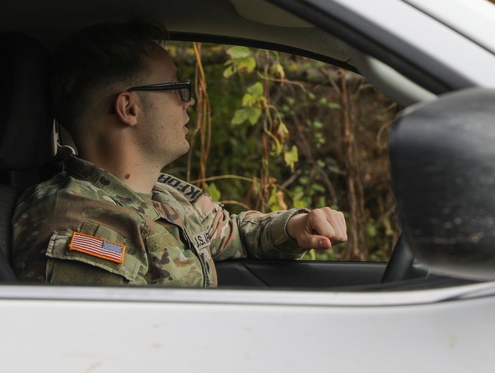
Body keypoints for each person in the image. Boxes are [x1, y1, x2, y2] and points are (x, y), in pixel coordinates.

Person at [12, 19, 348, 285]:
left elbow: (236, 234)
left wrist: (298, 226)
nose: (189, 101)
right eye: (177, 88)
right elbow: (108, 357)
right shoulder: (81, 227)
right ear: (129, 107)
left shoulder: (166, 196)